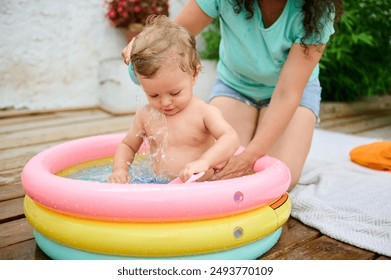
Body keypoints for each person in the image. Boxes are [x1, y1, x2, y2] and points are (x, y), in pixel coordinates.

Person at [122, 0, 343, 190]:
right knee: (215, 170)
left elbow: (287, 93)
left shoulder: (318, 11)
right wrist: (145, 43)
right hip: (235, 87)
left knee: (280, 176)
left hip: (290, 93)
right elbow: (174, 35)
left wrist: (249, 156)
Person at [109, 15, 240, 184]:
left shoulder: (203, 113)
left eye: (175, 93)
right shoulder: (145, 115)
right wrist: (120, 170)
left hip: (200, 188)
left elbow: (230, 138)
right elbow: (128, 145)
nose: (164, 102)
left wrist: (204, 161)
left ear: (194, 75)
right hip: (160, 185)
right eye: (153, 95)